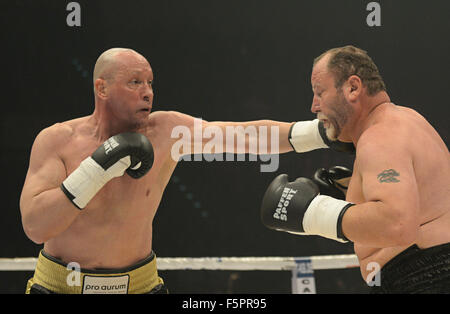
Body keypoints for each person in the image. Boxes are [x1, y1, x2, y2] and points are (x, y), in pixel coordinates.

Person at [19, 48, 351, 294]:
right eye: (135, 82)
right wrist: (95, 169)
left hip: (140, 285)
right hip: (62, 285)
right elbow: (36, 227)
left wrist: (320, 133)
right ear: (102, 89)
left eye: (149, 82)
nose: (147, 91)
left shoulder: (166, 132)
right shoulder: (57, 141)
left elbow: (243, 136)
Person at [260, 45, 450, 293]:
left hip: (426, 276)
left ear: (353, 88)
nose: (314, 106)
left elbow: (398, 224)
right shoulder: (404, 120)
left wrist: (314, 213)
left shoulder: (380, 135)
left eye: (320, 92)